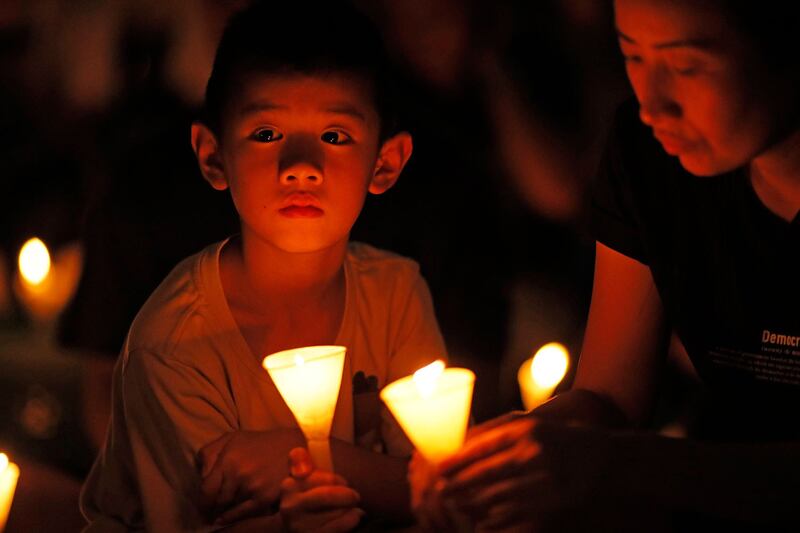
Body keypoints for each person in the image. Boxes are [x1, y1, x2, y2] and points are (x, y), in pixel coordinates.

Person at [412, 0, 800, 530]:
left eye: (686, 67)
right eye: (632, 56)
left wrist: (618, 464)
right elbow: (609, 397)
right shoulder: (650, 157)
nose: (652, 105)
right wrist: (506, 455)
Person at [80, 1, 447, 531]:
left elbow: (440, 490)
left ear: (385, 163)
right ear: (212, 155)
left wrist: (312, 459)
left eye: (335, 136)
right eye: (267, 134)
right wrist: (371, 483)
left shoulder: (395, 293)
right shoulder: (176, 345)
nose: (301, 167)